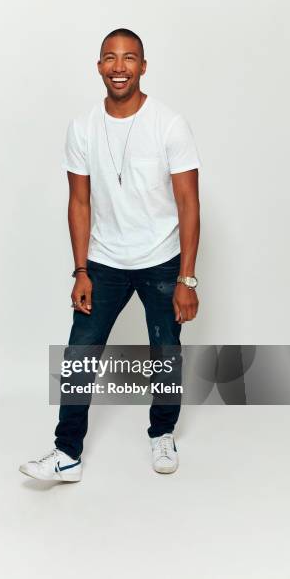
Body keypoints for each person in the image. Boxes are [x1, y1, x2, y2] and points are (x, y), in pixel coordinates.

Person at [19, 28, 201, 482]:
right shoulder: (82, 127)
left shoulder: (169, 124)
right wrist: (80, 269)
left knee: (165, 350)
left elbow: (189, 204)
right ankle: (67, 455)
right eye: (110, 58)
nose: (119, 66)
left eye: (129, 58)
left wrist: (187, 278)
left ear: (143, 66)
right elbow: (79, 202)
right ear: (99, 66)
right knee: (80, 352)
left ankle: (162, 433)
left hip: (161, 260)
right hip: (104, 262)